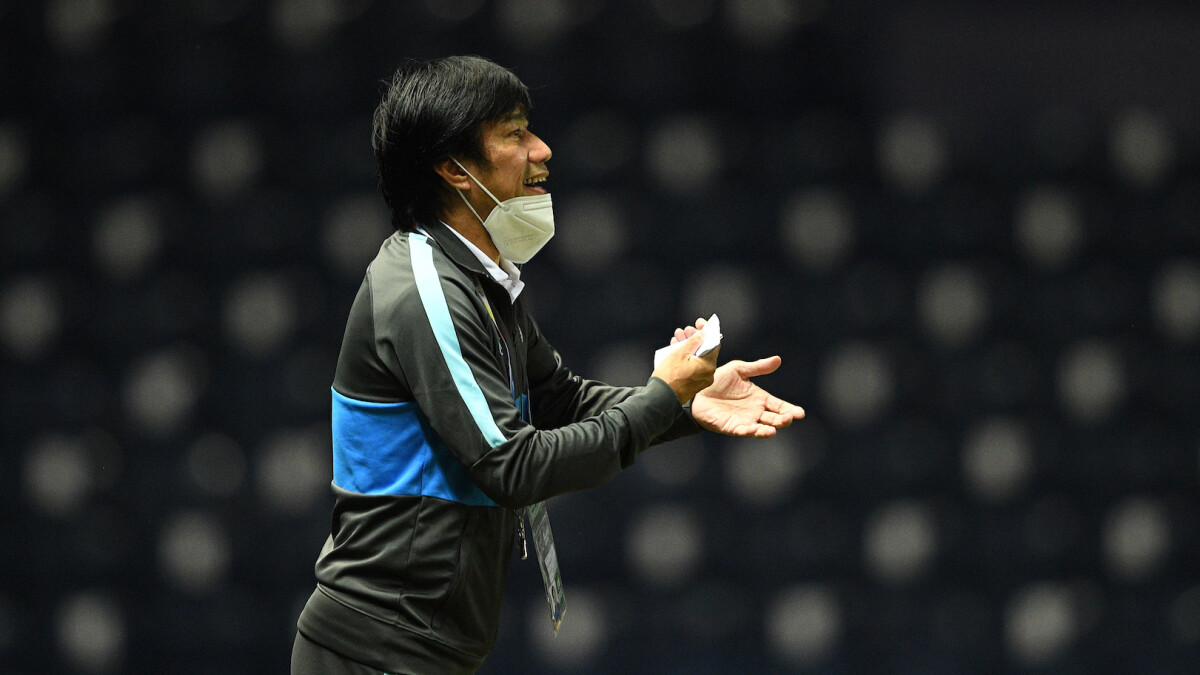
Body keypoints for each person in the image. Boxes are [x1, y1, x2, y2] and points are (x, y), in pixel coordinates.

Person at [291, 55, 806, 675]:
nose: (542, 149)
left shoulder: (479, 279)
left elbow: (561, 400)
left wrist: (686, 401)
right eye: (515, 133)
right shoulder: (425, 291)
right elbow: (512, 466)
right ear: (454, 168)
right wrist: (660, 397)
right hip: (373, 651)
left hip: (420, 649)